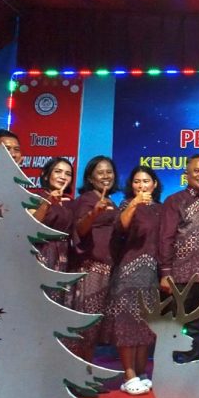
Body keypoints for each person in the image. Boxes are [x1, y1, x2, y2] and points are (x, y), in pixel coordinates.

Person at [105, 166, 162, 396]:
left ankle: (141, 372)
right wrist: (135, 203)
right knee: (127, 323)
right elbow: (122, 226)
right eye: (137, 181)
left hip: (151, 274)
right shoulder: (126, 205)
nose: (141, 185)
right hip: (129, 272)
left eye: (146, 181)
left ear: (154, 184)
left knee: (145, 324)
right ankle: (128, 375)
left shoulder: (160, 209)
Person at [158, 154, 199, 362]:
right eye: (196, 171)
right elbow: (165, 237)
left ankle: (194, 368)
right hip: (180, 276)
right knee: (177, 325)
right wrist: (165, 272)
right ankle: (174, 368)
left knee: (198, 326)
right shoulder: (175, 201)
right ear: (186, 174)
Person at [69, 155, 119, 362]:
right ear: (90, 178)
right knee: (86, 324)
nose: (106, 176)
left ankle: (86, 369)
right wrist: (94, 213)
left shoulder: (111, 202)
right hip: (91, 269)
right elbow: (80, 228)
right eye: (100, 172)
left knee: (95, 326)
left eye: (109, 172)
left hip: (107, 270)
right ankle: (79, 371)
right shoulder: (87, 200)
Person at [32, 157, 75, 280]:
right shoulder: (36, 197)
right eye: (58, 171)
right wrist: (48, 202)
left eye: (68, 174)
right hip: (41, 253)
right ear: (46, 175)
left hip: (65, 256)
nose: (63, 177)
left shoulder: (71, 202)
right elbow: (32, 223)